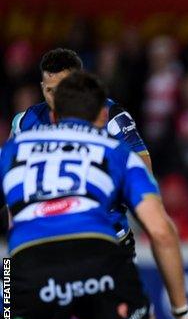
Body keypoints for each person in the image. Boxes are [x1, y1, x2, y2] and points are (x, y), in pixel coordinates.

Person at [0, 72, 188, 319]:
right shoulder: (117, 152)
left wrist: (6, 280)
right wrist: (181, 310)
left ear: (53, 116)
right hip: (97, 255)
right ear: (103, 116)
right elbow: (161, 231)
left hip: (26, 264)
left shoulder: (12, 150)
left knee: (9, 308)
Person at [10, 47, 151, 253]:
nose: (56, 98)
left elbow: (144, 169)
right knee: (9, 285)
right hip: (45, 244)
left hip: (105, 239)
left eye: (63, 89)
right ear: (42, 86)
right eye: (49, 90)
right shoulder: (25, 123)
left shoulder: (110, 117)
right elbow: (11, 181)